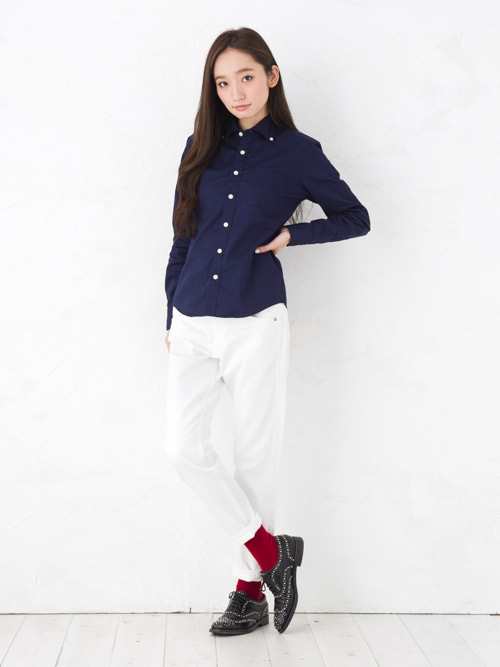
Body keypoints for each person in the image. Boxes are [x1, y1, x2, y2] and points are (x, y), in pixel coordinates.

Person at [163, 27, 370, 636]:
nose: (236, 92)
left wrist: (290, 236)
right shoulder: (199, 147)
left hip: (257, 320)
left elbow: (355, 217)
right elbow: (182, 236)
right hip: (193, 319)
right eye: (223, 82)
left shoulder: (299, 153)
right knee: (183, 449)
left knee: (255, 460)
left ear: (271, 77)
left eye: (247, 77)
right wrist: (171, 314)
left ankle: (249, 592)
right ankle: (273, 552)